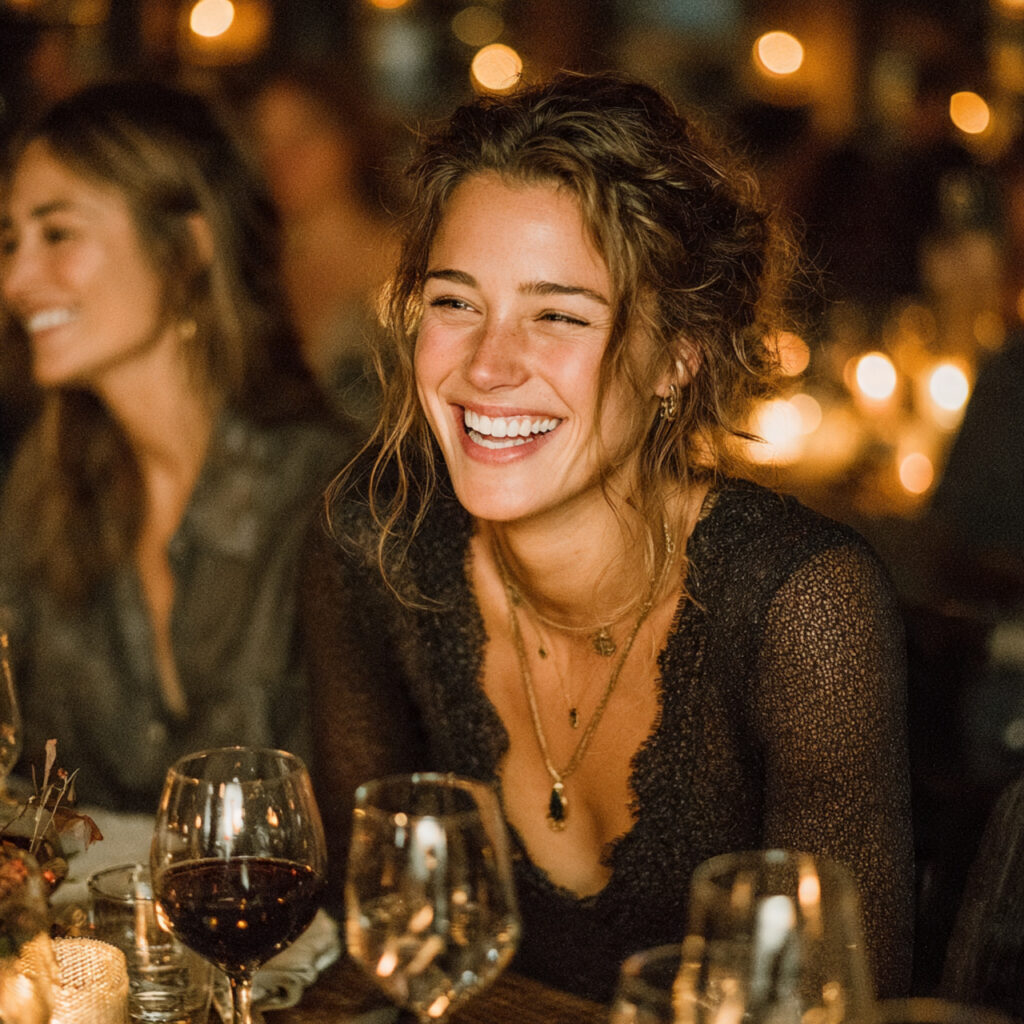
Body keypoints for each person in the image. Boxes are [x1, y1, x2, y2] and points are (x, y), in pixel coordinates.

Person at [303, 72, 914, 1004]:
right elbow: (378, 949)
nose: (486, 367)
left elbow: (833, 1004)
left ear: (679, 354)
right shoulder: (373, 544)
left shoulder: (803, 606)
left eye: (558, 316)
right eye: (455, 302)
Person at [0, 78, 352, 812]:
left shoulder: (329, 499)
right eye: (10, 242)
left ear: (189, 247)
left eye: (57, 234)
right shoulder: (43, 492)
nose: (18, 280)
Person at [246, 64, 399, 436]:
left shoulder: (408, 263)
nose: (281, 157)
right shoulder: (249, 269)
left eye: (303, 133)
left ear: (349, 136)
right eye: (264, 139)